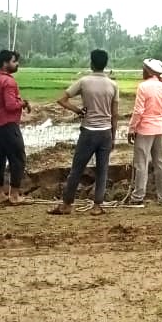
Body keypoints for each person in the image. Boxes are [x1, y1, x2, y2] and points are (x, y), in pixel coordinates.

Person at [49, 49, 119, 216]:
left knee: (77, 169)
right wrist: (113, 137)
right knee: (102, 171)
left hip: (88, 132)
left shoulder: (84, 82)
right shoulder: (113, 85)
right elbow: (114, 114)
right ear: (105, 64)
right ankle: (97, 206)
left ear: (91, 63)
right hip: (105, 133)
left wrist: (78, 111)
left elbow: (62, 99)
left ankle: (66, 204)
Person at [127, 58, 162, 206]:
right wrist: (158, 120)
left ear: (147, 71)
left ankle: (138, 197)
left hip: (144, 130)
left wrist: (132, 128)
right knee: (160, 163)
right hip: (159, 129)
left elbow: (138, 111)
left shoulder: (143, 87)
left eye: (143, 69)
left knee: (141, 163)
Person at [0, 49, 30, 205]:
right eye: (14, 61)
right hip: (7, 124)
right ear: (5, 63)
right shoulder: (9, 81)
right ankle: (14, 195)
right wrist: (23, 103)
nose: (17, 64)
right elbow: (11, 105)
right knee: (18, 157)